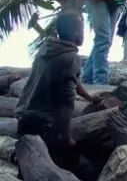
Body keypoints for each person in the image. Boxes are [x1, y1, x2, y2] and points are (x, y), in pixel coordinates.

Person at [15, 12, 101, 178]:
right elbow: (66, 101)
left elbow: (72, 80)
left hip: (24, 119)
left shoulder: (48, 49)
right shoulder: (71, 57)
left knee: (27, 171)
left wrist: (89, 98)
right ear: (77, 33)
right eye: (82, 29)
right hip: (44, 126)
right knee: (86, 171)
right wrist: (65, 137)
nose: (84, 33)